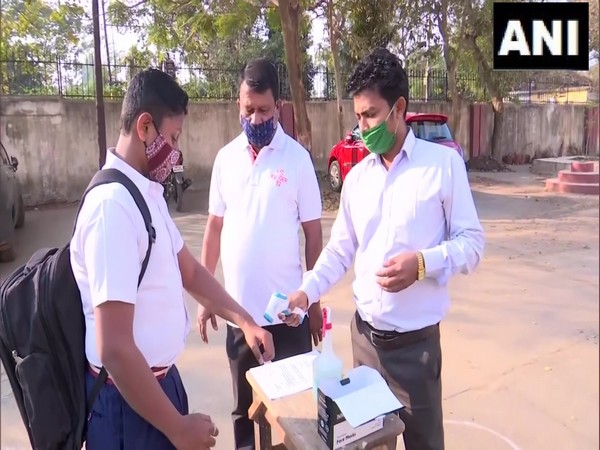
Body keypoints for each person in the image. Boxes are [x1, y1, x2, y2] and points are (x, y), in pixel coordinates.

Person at [283, 48, 485, 450]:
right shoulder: (357, 179)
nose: (362, 127)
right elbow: (341, 249)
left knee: (425, 444)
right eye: (358, 117)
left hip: (417, 350)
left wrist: (424, 263)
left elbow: (472, 244)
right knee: (369, 445)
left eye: (371, 114)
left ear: (399, 109)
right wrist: (307, 292)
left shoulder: (441, 167)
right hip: (365, 345)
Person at [70, 68, 275, 450]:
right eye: (173, 137)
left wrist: (245, 321)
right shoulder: (112, 207)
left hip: (159, 387)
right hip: (128, 405)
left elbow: (190, 271)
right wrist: (177, 429)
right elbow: (114, 347)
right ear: (144, 126)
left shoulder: (144, 193)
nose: (176, 152)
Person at [197, 58, 323, 450]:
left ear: (278, 105)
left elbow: (313, 235)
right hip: (239, 315)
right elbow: (214, 228)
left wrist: (314, 301)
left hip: (288, 316)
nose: (255, 118)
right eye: (248, 109)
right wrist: (206, 299)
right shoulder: (225, 160)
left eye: (264, 110)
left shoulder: (297, 160)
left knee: (294, 410)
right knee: (243, 411)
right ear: (238, 104)